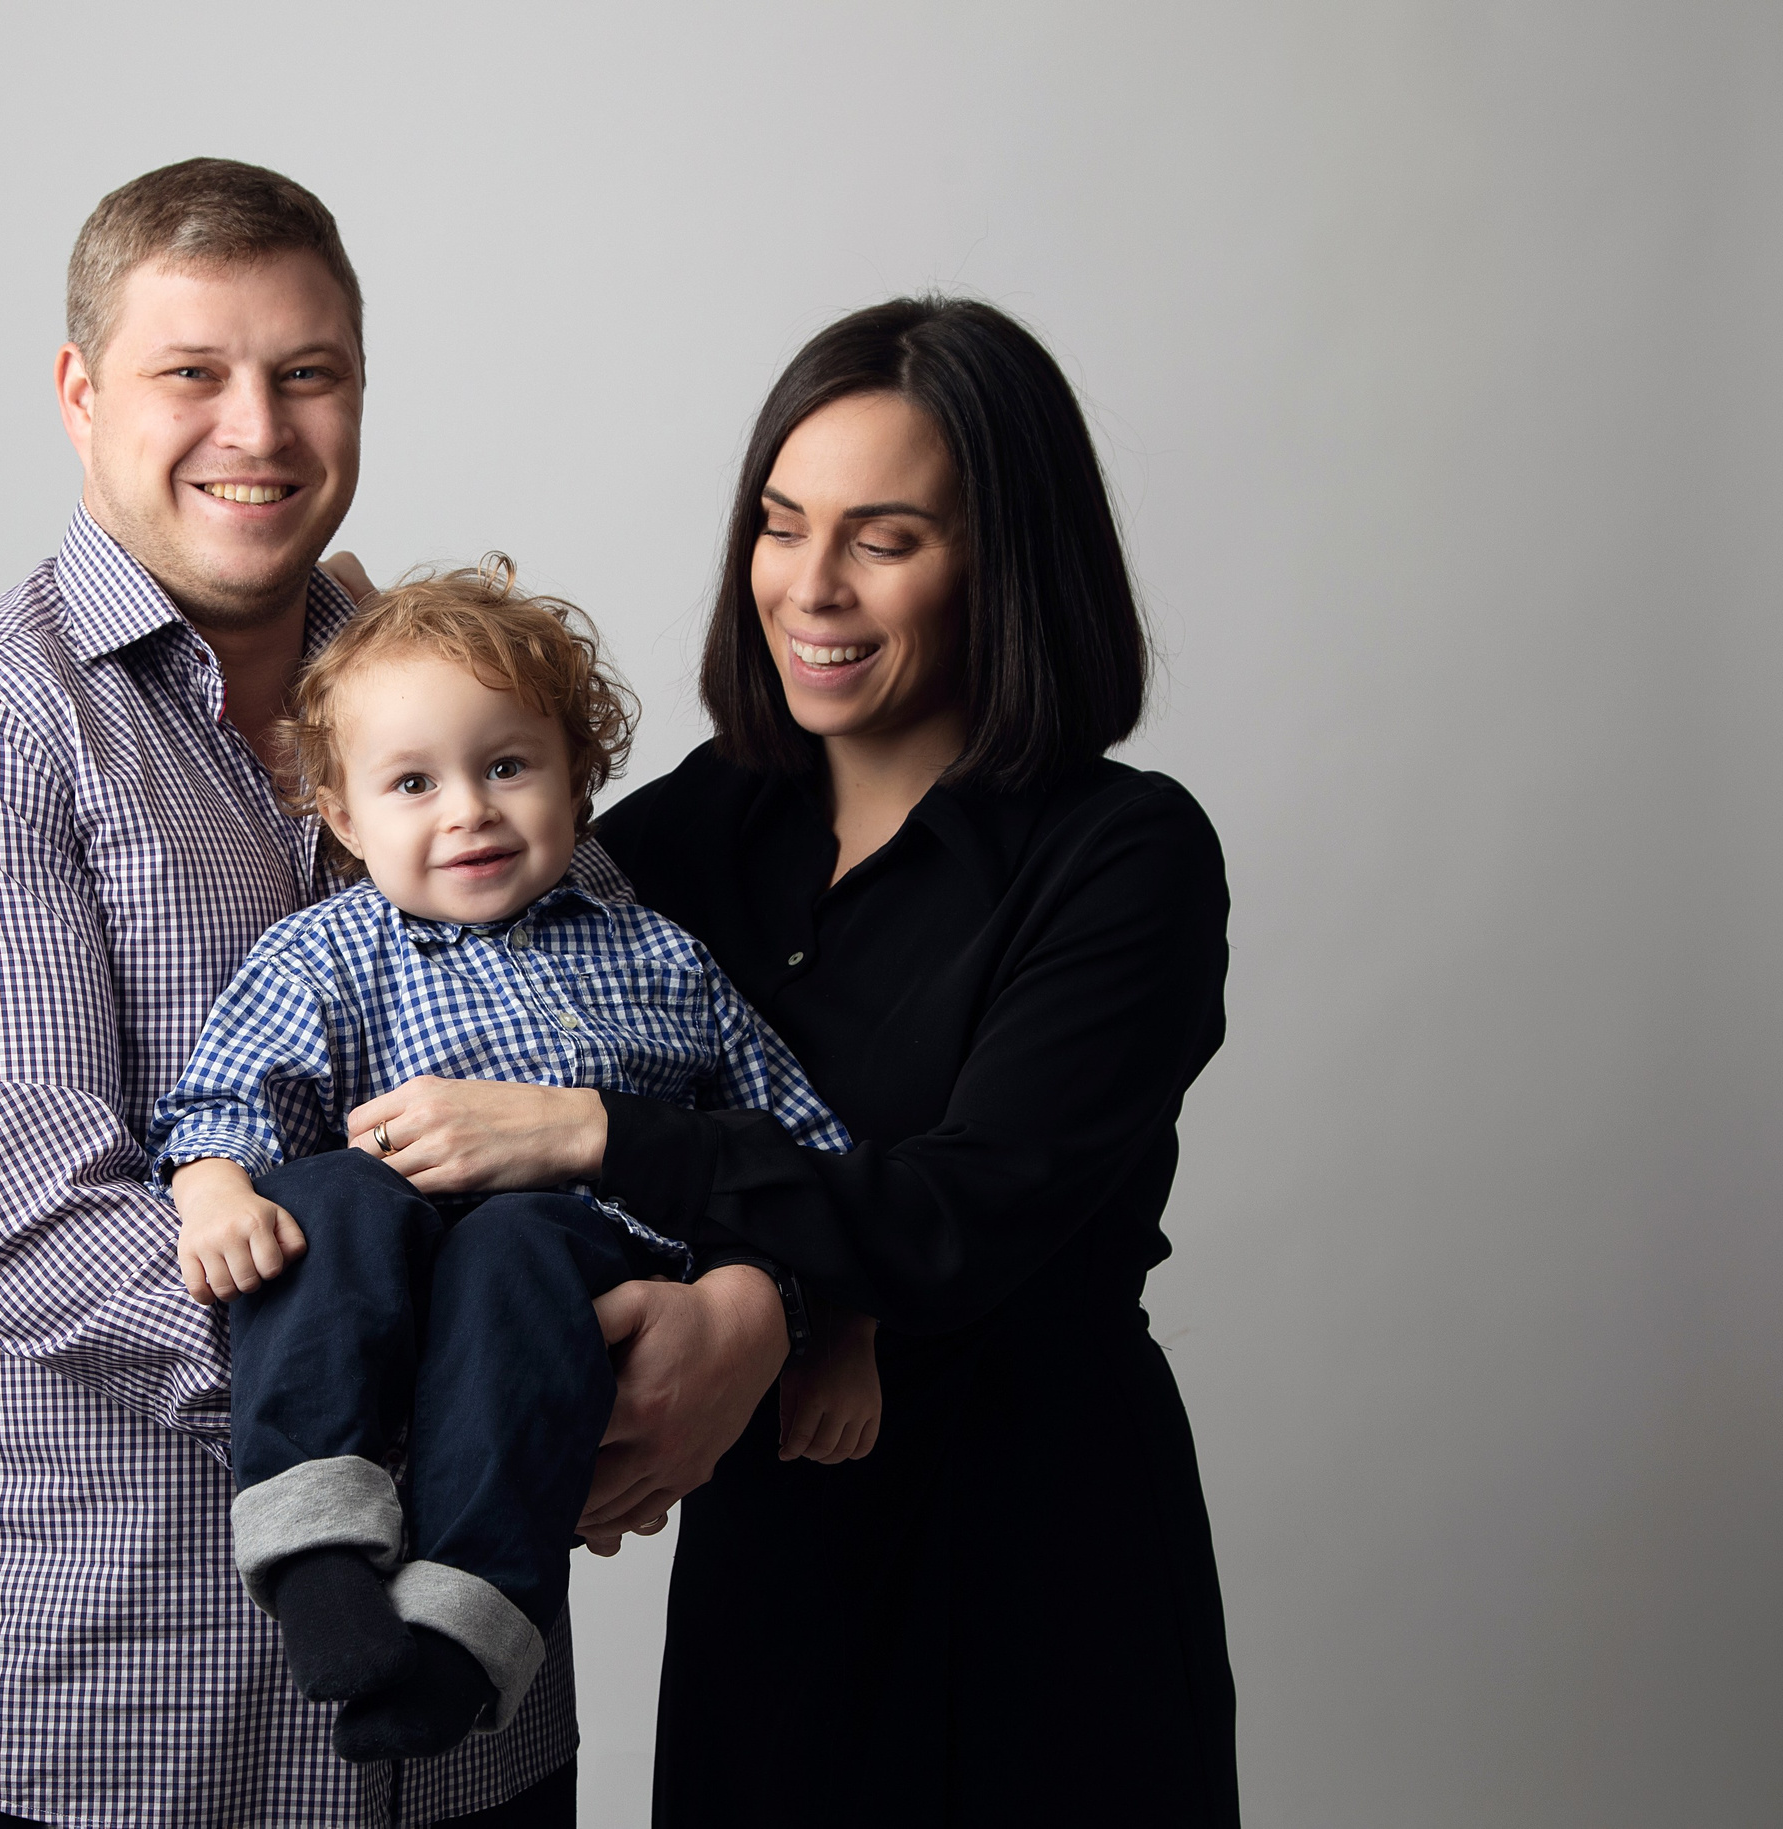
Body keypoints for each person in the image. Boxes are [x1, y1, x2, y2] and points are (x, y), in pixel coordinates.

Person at [337, 297, 1240, 1825]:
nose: (808, 587)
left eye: (885, 538)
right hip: (779, 1564)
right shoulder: (708, 822)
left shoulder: (1125, 856)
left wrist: (598, 1140)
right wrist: (355, 653)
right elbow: (464, 926)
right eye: (780, 522)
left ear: (1003, 564)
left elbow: (958, 1223)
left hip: (1038, 1574)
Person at [0, 159, 579, 1829]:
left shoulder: (452, 688)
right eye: (192, 373)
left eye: (309, 373)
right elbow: (41, 1236)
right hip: (122, 1722)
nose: (262, 427)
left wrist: (710, 1303)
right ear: (80, 394)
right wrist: (509, 1371)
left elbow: (620, 1018)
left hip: (473, 1732)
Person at [144, 563, 862, 1766]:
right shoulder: (326, 950)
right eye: (412, 783)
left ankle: (467, 1625)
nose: (466, 810)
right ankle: (315, 1541)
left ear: (576, 781)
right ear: (343, 815)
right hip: (397, 1256)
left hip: (581, 1257)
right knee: (320, 1192)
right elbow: (229, 1094)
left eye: (507, 766)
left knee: (517, 1240)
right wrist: (210, 1183)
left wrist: (841, 1330)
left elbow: (798, 1147)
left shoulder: (656, 953)